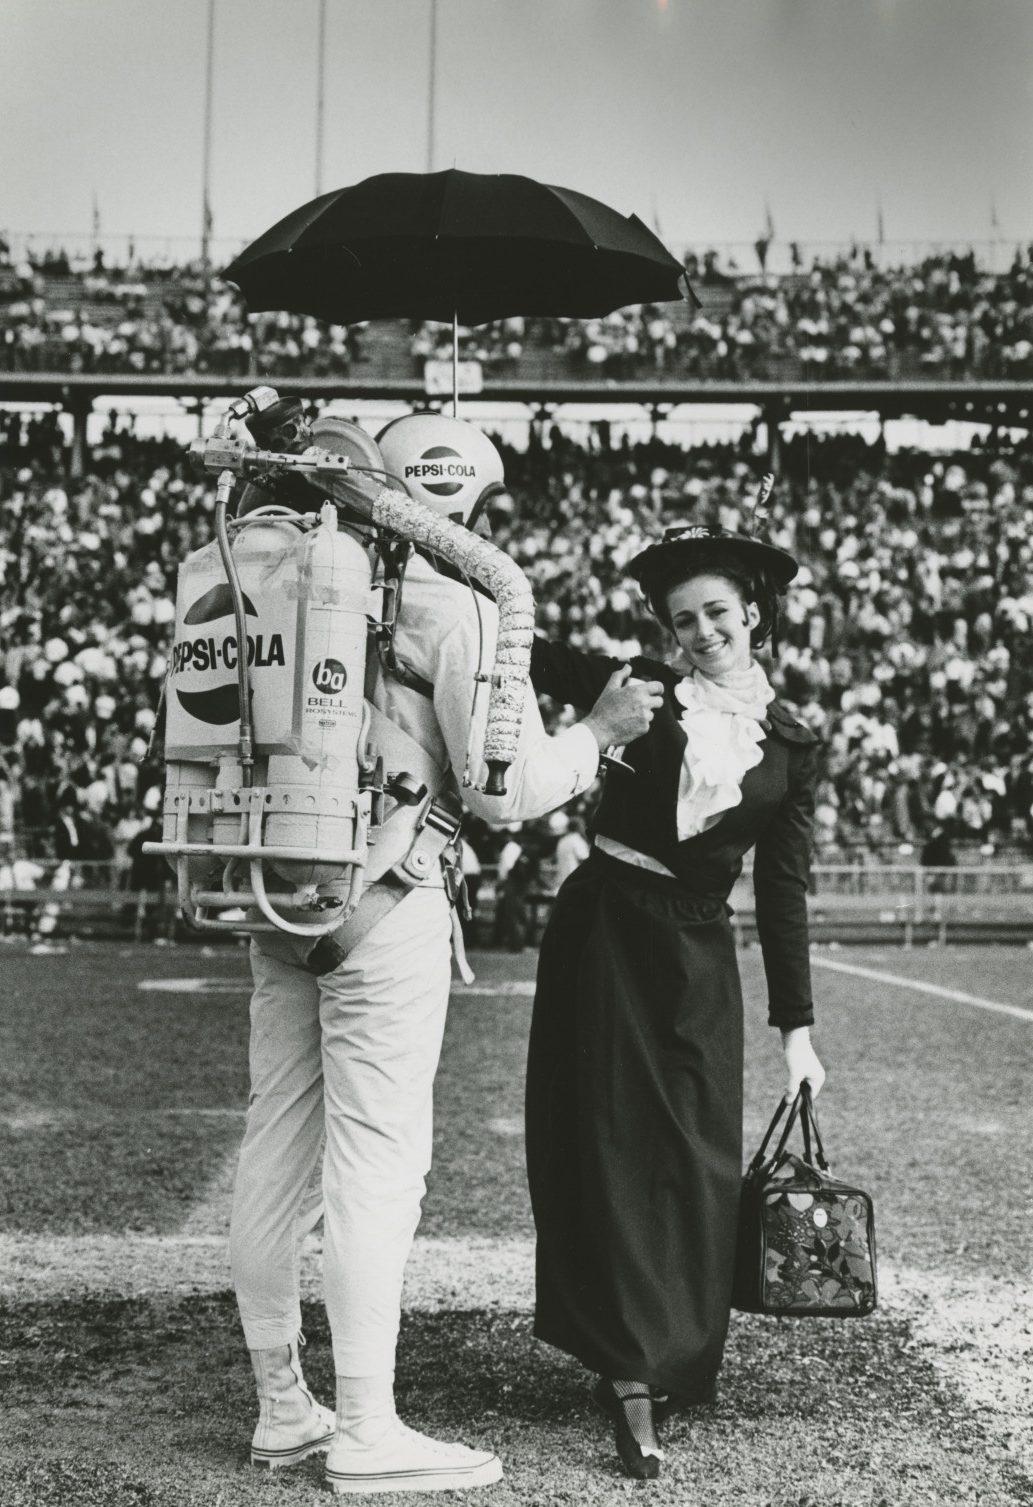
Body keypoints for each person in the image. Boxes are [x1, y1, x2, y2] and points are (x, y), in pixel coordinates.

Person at [226, 414, 658, 1496]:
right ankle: (367, 1427)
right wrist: (599, 733)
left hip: (280, 889)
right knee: (377, 1166)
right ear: (458, 495)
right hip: (392, 896)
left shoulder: (276, 581)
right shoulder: (453, 602)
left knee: (274, 1152)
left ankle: (282, 1407)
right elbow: (505, 790)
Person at [524, 521, 826, 1481]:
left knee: (696, 1153)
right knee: (610, 1138)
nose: (702, 631)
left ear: (755, 614)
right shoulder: (636, 687)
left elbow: (782, 891)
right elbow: (520, 645)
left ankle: (672, 1349)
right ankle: (627, 1361)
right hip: (606, 930)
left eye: (717, 612)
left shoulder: (792, 742)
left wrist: (797, 1031)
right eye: (683, 618)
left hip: (697, 950)